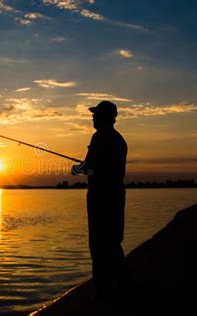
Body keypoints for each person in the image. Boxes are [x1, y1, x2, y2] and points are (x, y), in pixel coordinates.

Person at [72, 100, 130, 303]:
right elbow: (100, 167)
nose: (93, 117)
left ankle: (103, 292)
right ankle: (121, 286)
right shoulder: (118, 140)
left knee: (98, 245)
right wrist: (84, 168)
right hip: (116, 195)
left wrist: (80, 169)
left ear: (105, 117)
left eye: (96, 115)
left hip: (100, 197)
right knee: (113, 243)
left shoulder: (99, 138)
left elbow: (93, 169)